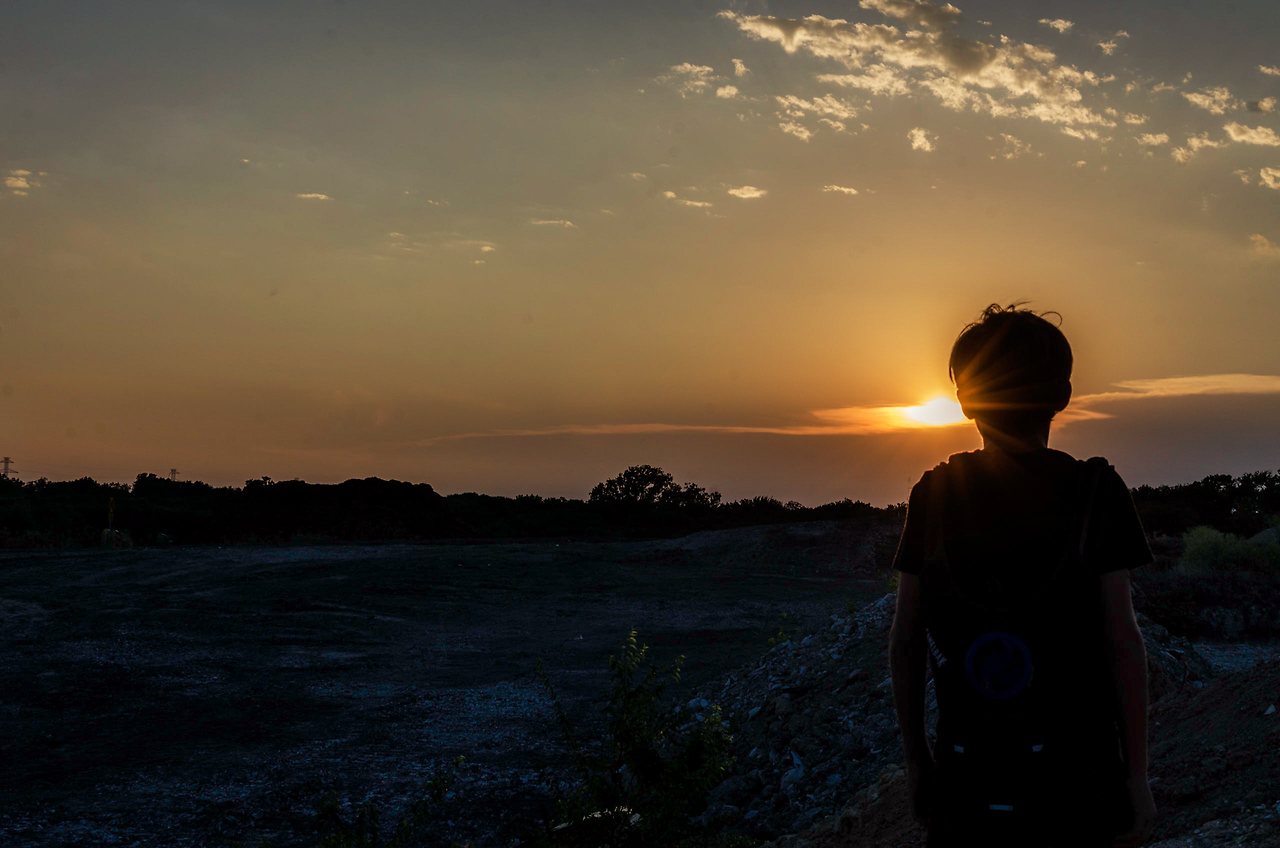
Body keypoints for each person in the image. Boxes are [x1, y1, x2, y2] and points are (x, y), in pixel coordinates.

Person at [888, 304, 1158, 848]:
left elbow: (906, 639)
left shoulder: (934, 494)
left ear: (966, 400)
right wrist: (1136, 778)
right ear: (1062, 395)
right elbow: (1123, 642)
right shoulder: (1096, 492)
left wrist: (917, 761)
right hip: (1078, 785)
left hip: (966, 781)